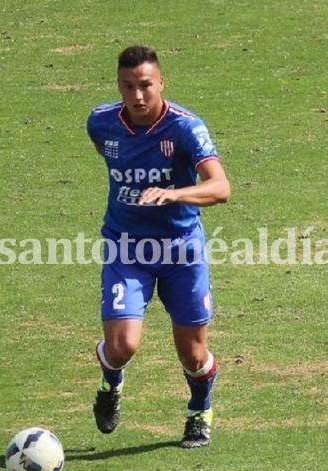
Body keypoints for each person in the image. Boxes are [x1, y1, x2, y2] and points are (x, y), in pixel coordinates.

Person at [86, 45, 230, 448]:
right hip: (126, 248)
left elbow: (221, 188)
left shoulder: (186, 128)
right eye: (128, 86)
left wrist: (175, 195)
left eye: (145, 85)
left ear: (161, 83)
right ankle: (110, 384)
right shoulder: (100, 123)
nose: (137, 96)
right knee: (121, 346)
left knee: (193, 355)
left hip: (181, 252)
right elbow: (110, 158)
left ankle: (199, 411)